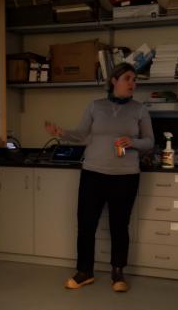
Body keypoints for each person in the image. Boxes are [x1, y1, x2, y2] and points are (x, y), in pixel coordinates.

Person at [45, 62, 154, 292]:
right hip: (93, 173)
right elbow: (81, 134)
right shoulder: (95, 106)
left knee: (119, 225)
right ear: (114, 80)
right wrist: (62, 133)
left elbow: (150, 143)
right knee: (86, 225)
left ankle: (118, 273)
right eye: (127, 78)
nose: (132, 83)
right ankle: (84, 272)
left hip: (125, 176)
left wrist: (133, 142)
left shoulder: (139, 109)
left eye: (134, 79)